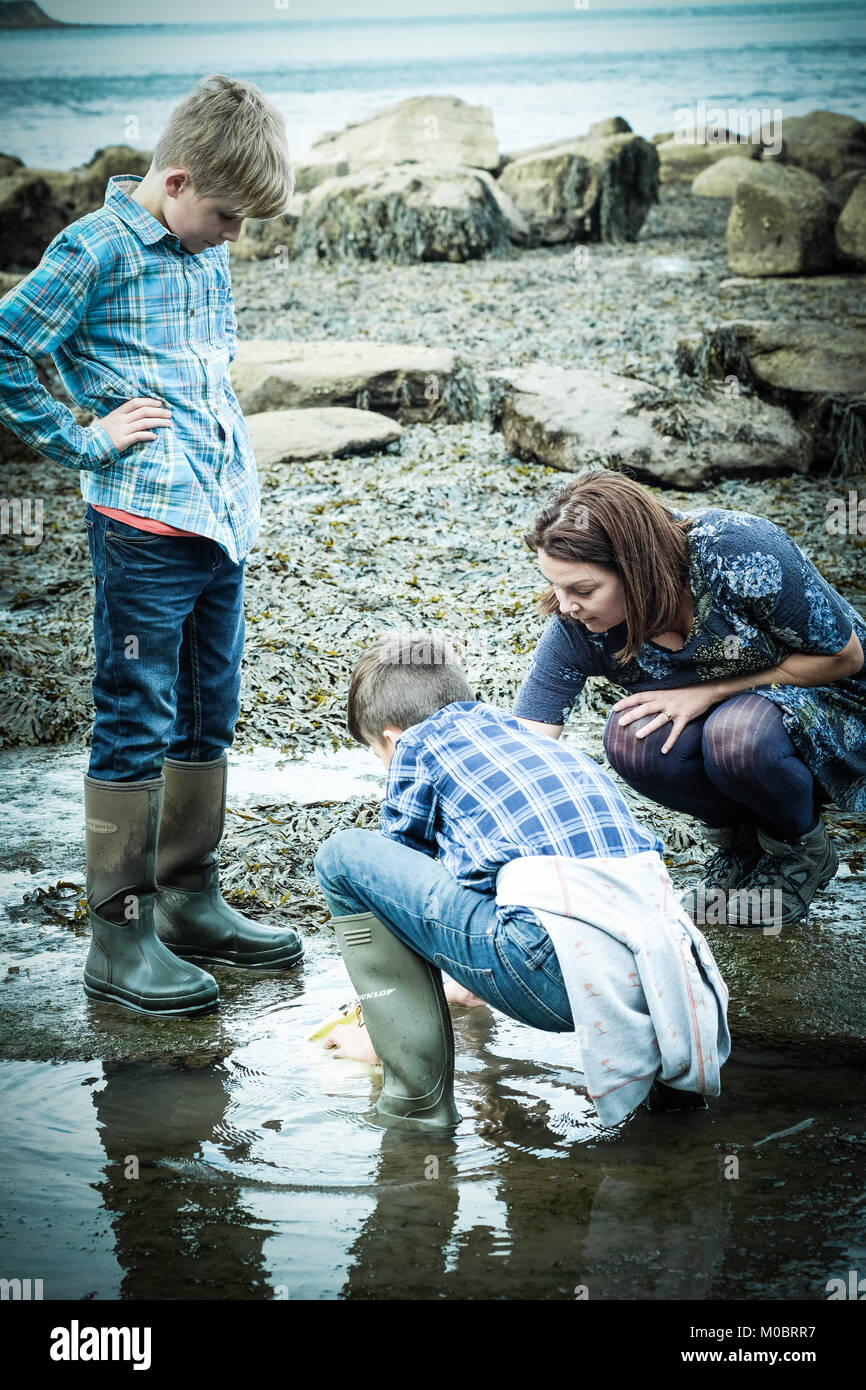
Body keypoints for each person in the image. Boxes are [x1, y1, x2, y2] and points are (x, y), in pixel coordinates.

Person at [0, 74, 302, 1015]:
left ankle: (189, 899)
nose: (235, 237)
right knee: (134, 712)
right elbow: (8, 346)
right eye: (225, 215)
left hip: (220, 524)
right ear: (174, 182)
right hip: (142, 529)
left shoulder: (200, 248)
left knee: (209, 709)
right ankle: (119, 936)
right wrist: (83, 439)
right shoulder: (93, 250)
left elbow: (203, 375)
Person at [313, 632, 729, 1130]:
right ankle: (667, 1119)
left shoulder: (417, 748)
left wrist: (376, 1023)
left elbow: (403, 884)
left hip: (550, 975)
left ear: (391, 739)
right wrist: (462, 988)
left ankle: (412, 1103)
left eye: (378, 757)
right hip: (660, 982)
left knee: (343, 857)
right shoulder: (537, 747)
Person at [514, 470, 866, 930]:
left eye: (583, 590)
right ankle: (741, 846)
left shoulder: (737, 550)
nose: (566, 606)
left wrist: (706, 693)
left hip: (834, 704)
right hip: (739, 735)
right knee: (632, 737)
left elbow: (845, 657)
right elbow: (527, 746)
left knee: (735, 734)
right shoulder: (577, 628)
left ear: (636, 569)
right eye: (556, 587)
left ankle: (799, 848)